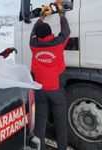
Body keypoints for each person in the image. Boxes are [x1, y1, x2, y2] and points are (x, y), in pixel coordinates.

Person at [29, 0, 70, 150]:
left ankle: (40, 148)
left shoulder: (33, 44)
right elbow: (66, 30)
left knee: (40, 122)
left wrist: (41, 17)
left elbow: (33, 31)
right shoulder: (58, 42)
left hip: (40, 90)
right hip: (56, 91)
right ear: (49, 33)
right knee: (60, 123)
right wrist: (61, 13)